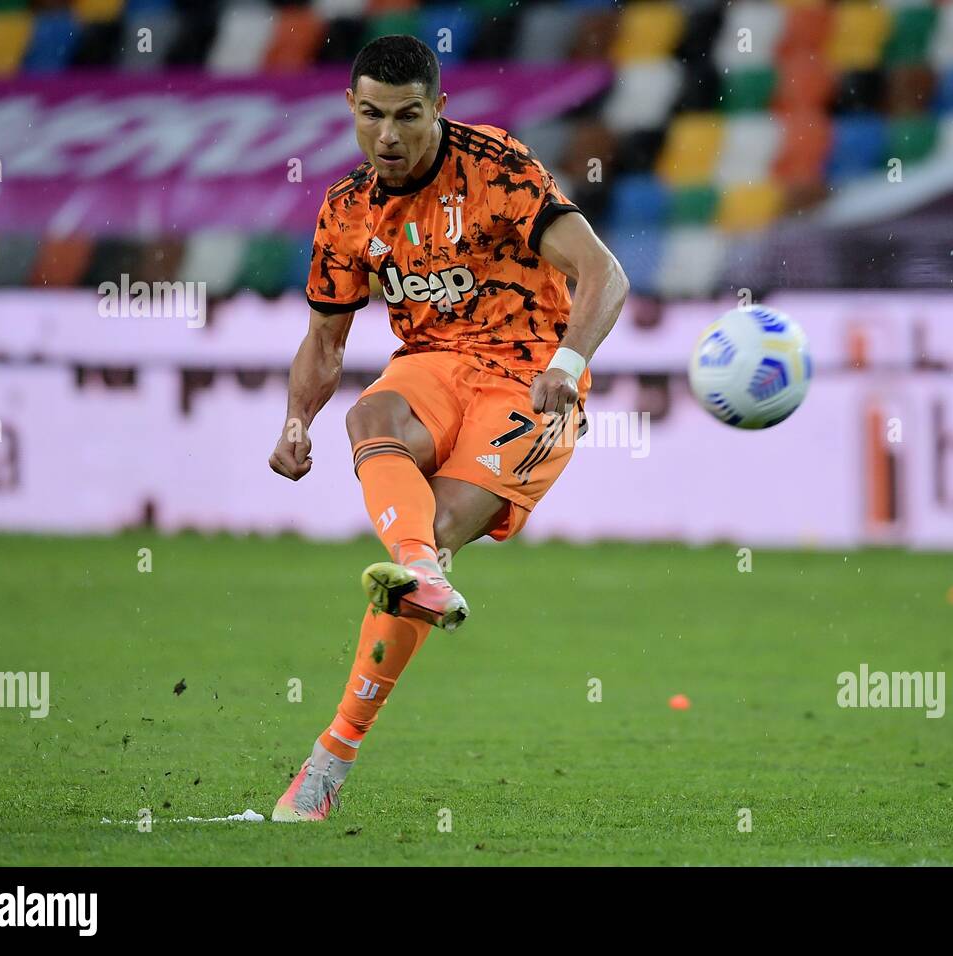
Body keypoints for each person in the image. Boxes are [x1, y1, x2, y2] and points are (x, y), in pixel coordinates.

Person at [267, 35, 628, 822]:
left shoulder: (496, 166)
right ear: (351, 111)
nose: (387, 137)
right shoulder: (347, 211)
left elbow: (606, 272)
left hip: (531, 379)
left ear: (439, 109)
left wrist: (568, 361)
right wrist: (298, 420)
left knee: (432, 541)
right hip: (432, 362)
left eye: (406, 116)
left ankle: (329, 762)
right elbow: (326, 342)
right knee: (372, 416)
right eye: (370, 116)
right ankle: (421, 569)